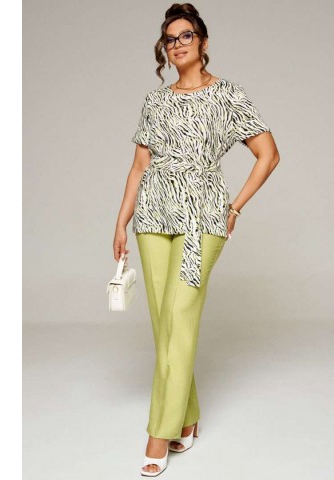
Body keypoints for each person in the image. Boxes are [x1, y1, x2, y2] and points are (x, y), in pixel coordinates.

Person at [113, 3, 280, 476]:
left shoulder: (228, 95)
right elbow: (139, 165)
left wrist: (234, 207)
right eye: (171, 39)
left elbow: (268, 154)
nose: (178, 44)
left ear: (203, 41)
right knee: (163, 323)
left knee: (180, 315)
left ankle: (158, 432)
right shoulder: (156, 100)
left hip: (202, 215)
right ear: (164, 49)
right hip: (153, 213)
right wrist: (120, 222)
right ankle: (187, 418)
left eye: (186, 35)